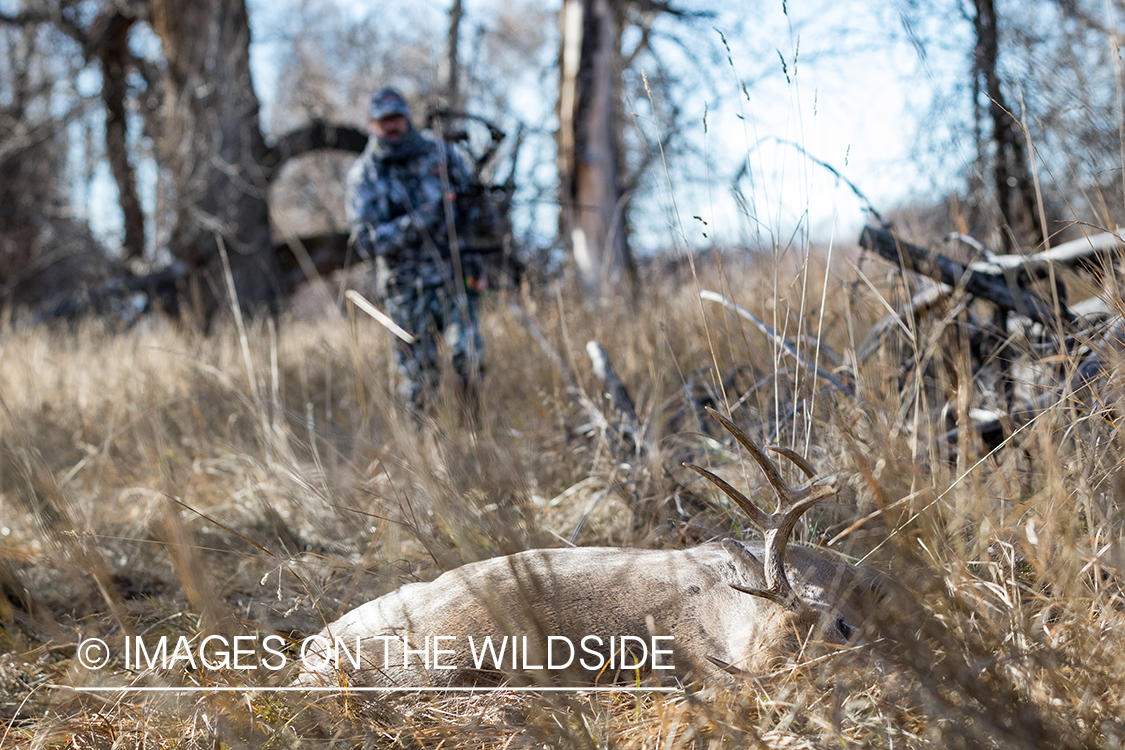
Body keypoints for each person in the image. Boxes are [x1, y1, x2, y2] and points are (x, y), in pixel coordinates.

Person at [346, 87, 486, 412]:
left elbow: (475, 213)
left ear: (407, 117)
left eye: (397, 118)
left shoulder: (442, 155)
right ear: (371, 124)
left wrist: (479, 210)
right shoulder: (364, 175)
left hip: (455, 278)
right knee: (419, 381)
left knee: (468, 356)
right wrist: (420, 220)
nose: (392, 126)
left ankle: (473, 433)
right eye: (384, 121)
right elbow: (365, 242)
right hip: (404, 290)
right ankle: (428, 454)